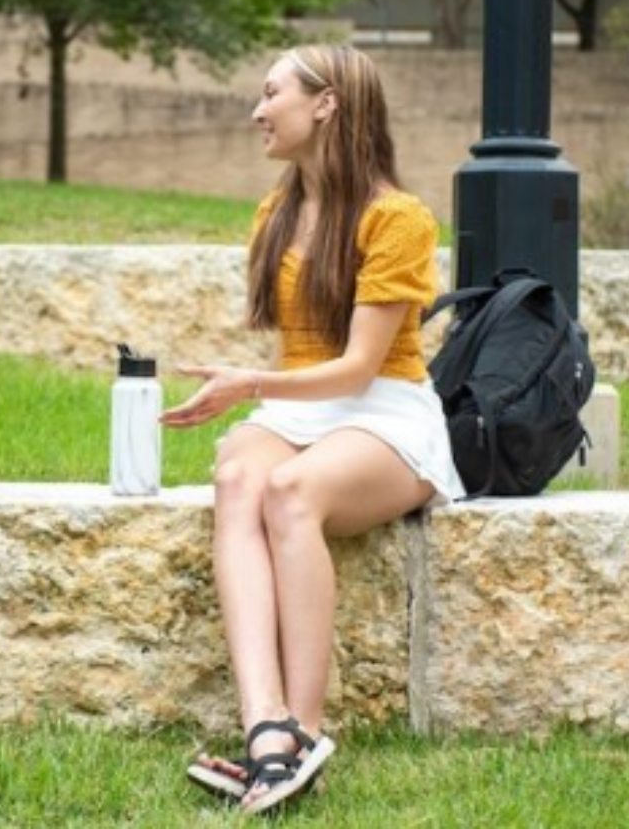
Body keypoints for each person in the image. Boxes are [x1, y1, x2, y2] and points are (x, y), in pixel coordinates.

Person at [161, 44, 464, 817]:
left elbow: (361, 369)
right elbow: (300, 357)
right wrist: (256, 392)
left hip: (387, 411)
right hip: (302, 407)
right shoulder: (277, 211)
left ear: (325, 104)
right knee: (237, 478)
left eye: (272, 94)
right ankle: (264, 730)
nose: (257, 111)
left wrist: (248, 385)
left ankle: (305, 731)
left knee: (292, 491)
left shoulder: (399, 218)